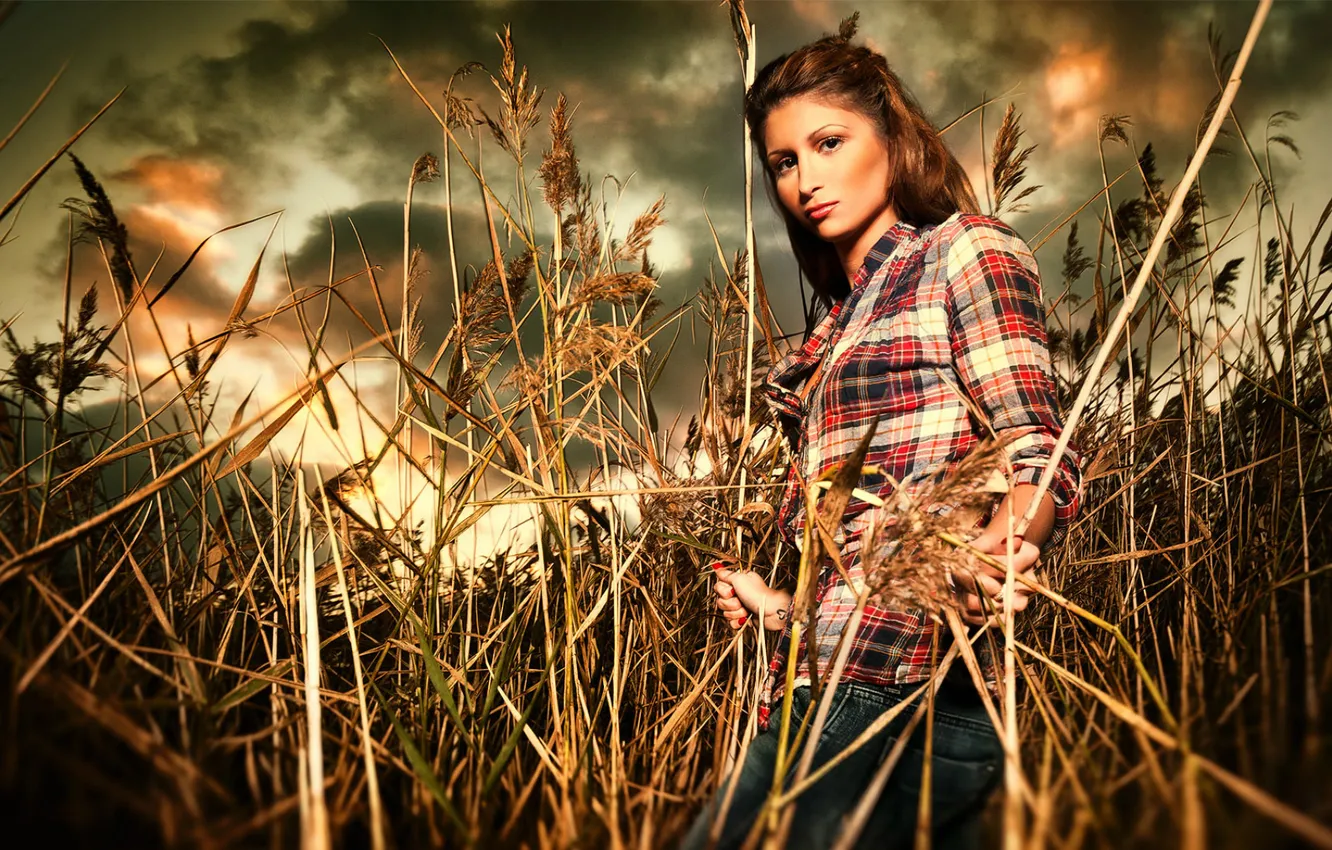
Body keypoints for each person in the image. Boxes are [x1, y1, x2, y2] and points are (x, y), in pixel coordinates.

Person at [679, 20, 1083, 850]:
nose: (805, 179)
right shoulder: (836, 326)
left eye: (829, 143)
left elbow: (1038, 447)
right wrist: (780, 607)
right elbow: (859, 558)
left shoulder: (962, 251)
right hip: (838, 675)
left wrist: (996, 550)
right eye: (785, 162)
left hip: (905, 693)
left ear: (892, 140)